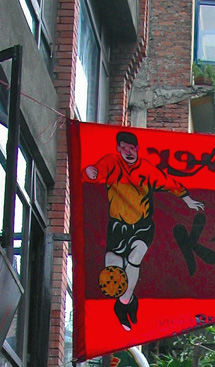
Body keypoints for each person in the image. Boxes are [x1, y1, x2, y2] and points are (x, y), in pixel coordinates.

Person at [83, 130, 204, 330]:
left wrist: (187, 199)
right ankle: (128, 301)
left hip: (142, 226)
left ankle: (123, 304)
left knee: (135, 257)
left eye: (132, 148)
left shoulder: (146, 169)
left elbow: (169, 183)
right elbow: (93, 171)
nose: (128, 152)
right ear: (118, 149)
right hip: (117, 226)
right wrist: (90, 171)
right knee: (112, 270)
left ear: (137, 149)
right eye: (124, 148)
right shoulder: (111, 163)